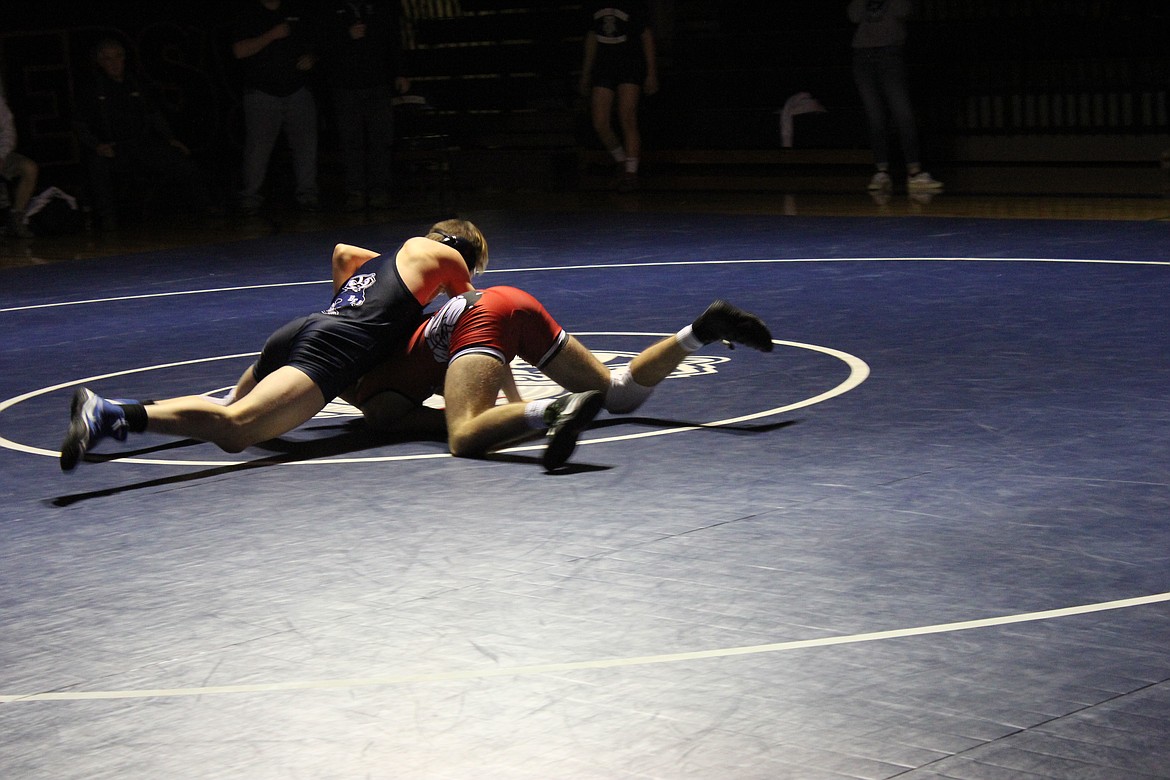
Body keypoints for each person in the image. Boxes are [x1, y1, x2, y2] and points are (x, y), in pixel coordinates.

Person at [59, 219, 487, 471]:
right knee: (237, 429)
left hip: (306, 328)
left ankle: (129, 411)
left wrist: (351, 309)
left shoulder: (388, 262)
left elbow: (342, 253)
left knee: (227, 406)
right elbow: (471, 313)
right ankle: (111, 414)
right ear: (463, 254)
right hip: (334, 345)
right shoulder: (444, 257)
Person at [344, 287, 774, 470]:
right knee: (619, 395)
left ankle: (554, 409)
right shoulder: (371, 347)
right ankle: (701, 331)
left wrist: (517, 407)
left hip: (475, 320)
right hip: (510, 303)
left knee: (464, 436)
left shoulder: (373, 395)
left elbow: (453, 418)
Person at [73, 38, 215, 231]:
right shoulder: (92, 88)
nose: (114, 63)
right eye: (107, 59)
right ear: (99, 62)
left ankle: (204, 208)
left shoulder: (137, 83)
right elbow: (80, 124)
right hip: (113, 148)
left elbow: (154, 114)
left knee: (183, 162)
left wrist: (171, 139)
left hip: (143, 144)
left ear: (124, 58)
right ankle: (108, 221)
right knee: (97, 165)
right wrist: (97, 145)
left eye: (118, 57)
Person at [232, 0, 322, 214]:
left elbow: (316, 44)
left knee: (306, 146)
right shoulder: (248, 14)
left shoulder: (297, 11)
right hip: (262, 92)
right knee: (258, 149)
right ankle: (250, 198)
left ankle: (308, 195)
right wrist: (271, 35)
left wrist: (311, 58)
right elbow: (239, 51)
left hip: (297, 89)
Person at [847, 0, 942, 193]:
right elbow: (853, 14)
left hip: (890, 53)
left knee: (903, 114)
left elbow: (903, 9)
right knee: (875, 116)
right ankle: (881, 171)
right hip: (862, 56)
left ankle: (914, 172)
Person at [325, 0, 410, 212]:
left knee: (380, 139)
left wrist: (400, 72)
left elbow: (393, 39)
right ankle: (355, 191)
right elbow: (323, 46)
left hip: (378, 83)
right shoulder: (332, 10)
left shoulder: (379, 8)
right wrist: (347, 36)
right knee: (351, 141)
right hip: (346, 86)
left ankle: (379, 190)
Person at [579, 2, 659, 192]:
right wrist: (586, 73)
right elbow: (592, 35)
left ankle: (631, 175)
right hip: (604, 66)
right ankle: (622, 162)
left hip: (629, 63)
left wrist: (651, 72)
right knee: (599, 121)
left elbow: (645, 35)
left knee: (627, 117)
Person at [0, 88, 38, 238]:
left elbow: (8, 132)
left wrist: (1, 155)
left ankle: (16, 218)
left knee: (29, 168)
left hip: (2, 156)